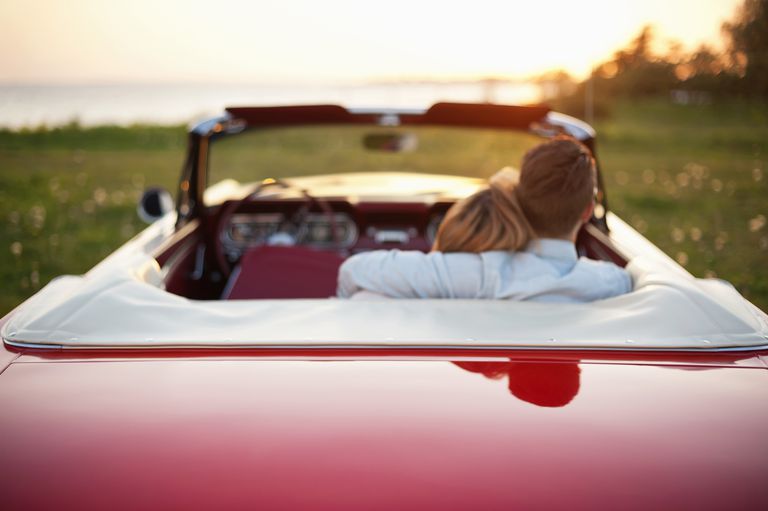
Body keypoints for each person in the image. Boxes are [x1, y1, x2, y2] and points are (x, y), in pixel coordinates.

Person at [336, 136, 632, 302]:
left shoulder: (476, 274)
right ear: (586, 211)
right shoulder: (612, 283)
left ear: (518, 200)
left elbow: (354, 270)